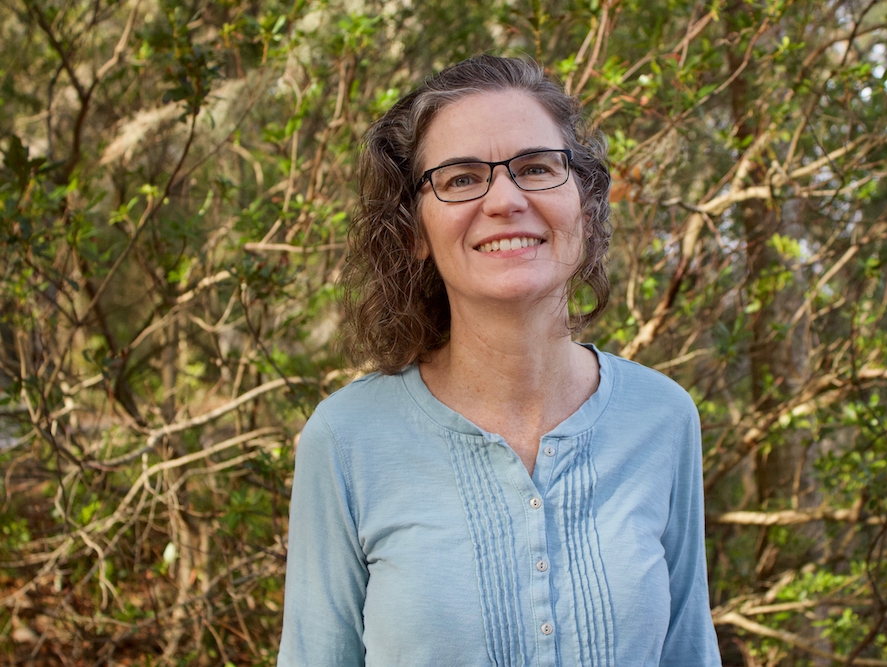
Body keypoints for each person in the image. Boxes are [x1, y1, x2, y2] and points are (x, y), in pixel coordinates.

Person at [277, 54, 722, 667]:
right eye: (460, 178)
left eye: (537, 167)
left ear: (586, 208)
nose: (505, 199)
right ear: (414, 230)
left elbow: (688, 652)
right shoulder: (346, 439)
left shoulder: (663, 418)